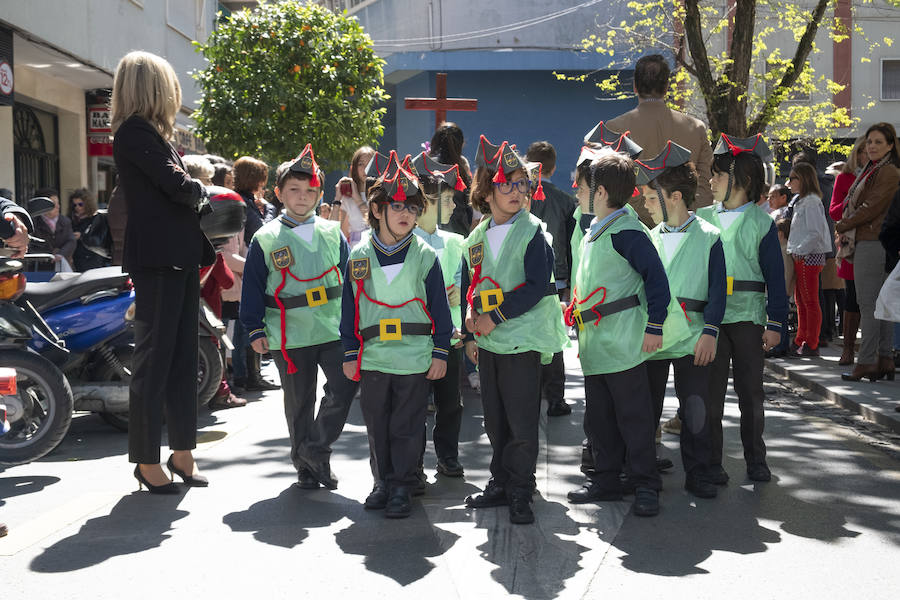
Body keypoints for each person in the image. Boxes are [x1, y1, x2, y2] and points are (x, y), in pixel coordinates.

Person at [564, 147, 691, 517]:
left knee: (634, 418)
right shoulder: (595, 231)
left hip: (623, 342)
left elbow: (657, 281)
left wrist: (654, 325)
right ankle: (606, 479)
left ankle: (645, 483)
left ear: (600, 192)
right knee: (600, 418)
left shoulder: (628, 232)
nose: (576, 191)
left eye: (582, 186)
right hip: (597, 344)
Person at [112, 50, 215, 493]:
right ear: (155, 88)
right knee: (154, 364)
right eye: (170, 85)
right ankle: (146, 461)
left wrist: (193, 191)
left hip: (175, 258)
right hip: (157, 262)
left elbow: (178, 187)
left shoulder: (150, 134)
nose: (176, 94)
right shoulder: (135, 132)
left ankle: (182, 454)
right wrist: (199, 189)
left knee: (180, 360)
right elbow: (177, 184)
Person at [462, 136, 568, 525]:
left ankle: (521, 488)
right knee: (494, 417)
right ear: (486, 190)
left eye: (522, 184)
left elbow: (539, 284)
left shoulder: (534, 232)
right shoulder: (476, 237)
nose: (516, 191)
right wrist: (471, 328)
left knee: (522, 420)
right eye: (505, 183)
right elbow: (470, 285)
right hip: (489, 342)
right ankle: (501, 481)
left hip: (522, 340)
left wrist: (496, 316)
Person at [340, 152, 452, 518]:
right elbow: (350, 308)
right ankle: (382, 482)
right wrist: (349, 351)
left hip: (414, 354)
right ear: (376, 209)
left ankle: (403, 485)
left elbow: (440, 308)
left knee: (407, 423)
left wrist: (441, 351)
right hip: (373, 354)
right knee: (377, 423)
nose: (406, 214)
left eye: (414, 208)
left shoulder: (425, 255)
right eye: (397, 205)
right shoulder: (358, 254)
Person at [241, 145, 359, 490]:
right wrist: (253, 328)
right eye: (293, 189)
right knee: (299, 401)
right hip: (288, 331)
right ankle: (306, 466)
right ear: (278, 193)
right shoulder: (266, 237)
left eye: (310, 190)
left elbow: (350, 279)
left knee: (345, 385)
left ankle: (316, 448)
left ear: (320, 193)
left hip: (333, 326)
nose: (302, 197)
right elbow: (254, 286)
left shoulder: (331, 231)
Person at [634, 142, 726, 501]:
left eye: (651, 198)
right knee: (646, 408)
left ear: (673, 197)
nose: (645, 205)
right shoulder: (647, 238)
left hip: (694, 336)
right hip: (654, 336)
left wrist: (711, 331)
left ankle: (700, 472)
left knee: (696, 408)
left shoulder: (709, 236)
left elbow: (719, 291)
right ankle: (644, 473)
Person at [696, 134, 788, 484]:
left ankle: (756, 459)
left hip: (749, 318)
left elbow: (775, 280)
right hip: (713, 321)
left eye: (718, 175)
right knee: (711, 394)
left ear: (742, 181)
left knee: (751, 394)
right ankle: (711, 462)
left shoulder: (762, 223)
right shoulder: (701, 220)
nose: (711, 180)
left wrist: (776, 322)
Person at [411, 151, 468, 479]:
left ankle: (447, 454)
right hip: (417, 334)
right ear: (429, 201)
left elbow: (464, 281)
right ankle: (414, 460)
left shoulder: (456, 242)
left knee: (451, 402)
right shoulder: (407, 242)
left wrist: (459, 292)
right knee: (415, 403)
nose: (453, 206)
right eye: (447, 200)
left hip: (451, 332)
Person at [605, 54, 714, 226]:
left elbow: (612, 187)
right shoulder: (696, 128)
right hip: (684, 227)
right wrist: (684, 219)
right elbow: (706, 186)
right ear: (667, 87)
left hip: (633, 229)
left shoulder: (614, 129)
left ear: (634, 86)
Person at [836, 123, 900, 381]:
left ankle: (868, 360)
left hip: (873, 240)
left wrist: (844, 223)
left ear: (890, 146)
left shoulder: (889, 172)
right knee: (878, 304)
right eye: (869, 142)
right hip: (870, 239)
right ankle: (883, 359)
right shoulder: (875, 169)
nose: (872, 146)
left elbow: (872, 206)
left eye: (878, 142)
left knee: (869, 304)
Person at [525, 141, 577, 417]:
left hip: (521, 278)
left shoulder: (518, 194)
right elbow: (570, 244)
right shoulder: (567, 201)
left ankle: (529, 393)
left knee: (527, 332)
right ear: (554, 167)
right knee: (555, 337)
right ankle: (555, 396)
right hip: (557, 278)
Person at [233, 156, 279, 392]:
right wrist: (267, 209)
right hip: (246, 266)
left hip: (252, 265)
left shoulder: (251, 203)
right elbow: (263, 230)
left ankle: (253, 374)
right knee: (245, 328)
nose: (264, 183)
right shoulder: (241, 203)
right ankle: (246, 376)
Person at [785, 163, 832, 356]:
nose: (788, 183)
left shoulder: (811, 202)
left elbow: (815, 233)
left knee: (809, 301)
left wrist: (799, 251)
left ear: (802, 180)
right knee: (802, 301)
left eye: (793, 178)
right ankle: (802, 339)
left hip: (808, 256)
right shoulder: (804, 200)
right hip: (803, 254)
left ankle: (811, 342)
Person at [831, 138, 866, 365]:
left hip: (877, 242)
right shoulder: (846, 177)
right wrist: (851, 205)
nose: (866, 154)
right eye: (862, 150)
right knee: (852, 297)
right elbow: (834, 211)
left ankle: (875, 353)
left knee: (872, 300)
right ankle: (848, 349)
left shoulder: (883, 176)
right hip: (852, 243)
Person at [429, 122, 474, 236]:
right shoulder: (461, 170)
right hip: (459, 235)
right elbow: (469, 208)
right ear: (461, 144)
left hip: (431, 233)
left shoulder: (426, 167)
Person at [335, 146, 374, 247]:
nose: (365, 168)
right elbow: (332, 231)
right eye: (361, 164)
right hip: (356, 252)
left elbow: (375, 225)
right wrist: (337, 199)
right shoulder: (347, 198)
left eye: (370, 163)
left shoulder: (382, 193)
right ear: (354, 168)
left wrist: (357, 199)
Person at [31, 187, 76, 271]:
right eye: (53, 204)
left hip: (62, 266)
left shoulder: (65, 221)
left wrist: (61, 254)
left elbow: (71, 241)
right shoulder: (33, 222)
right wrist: (49, 255)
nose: (58, 207)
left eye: (58, 203)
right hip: (39, 268)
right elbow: (30, 245)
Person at [69, 188, 113, 271]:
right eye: (74, 205)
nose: (77, 207)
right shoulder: (72, 220)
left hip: (93, 260)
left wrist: (82, 236)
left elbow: (97, 240)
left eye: (80, 204)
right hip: (77, 260)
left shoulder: (98, 219)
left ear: (87, 204)